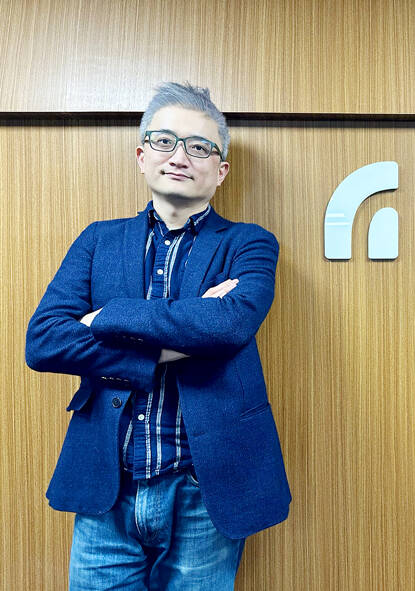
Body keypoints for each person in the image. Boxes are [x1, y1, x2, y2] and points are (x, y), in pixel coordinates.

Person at [25, 82, 291, 590]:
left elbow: (230, 324)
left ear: (221, 170)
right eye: (165, 141)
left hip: (204, 486)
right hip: (109, 482)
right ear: (142, 155)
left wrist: (104, 316)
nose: (180, 156)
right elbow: (44, 342)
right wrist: (166, 348)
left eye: (200, 147)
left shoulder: (250, 243)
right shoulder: (98, 240)